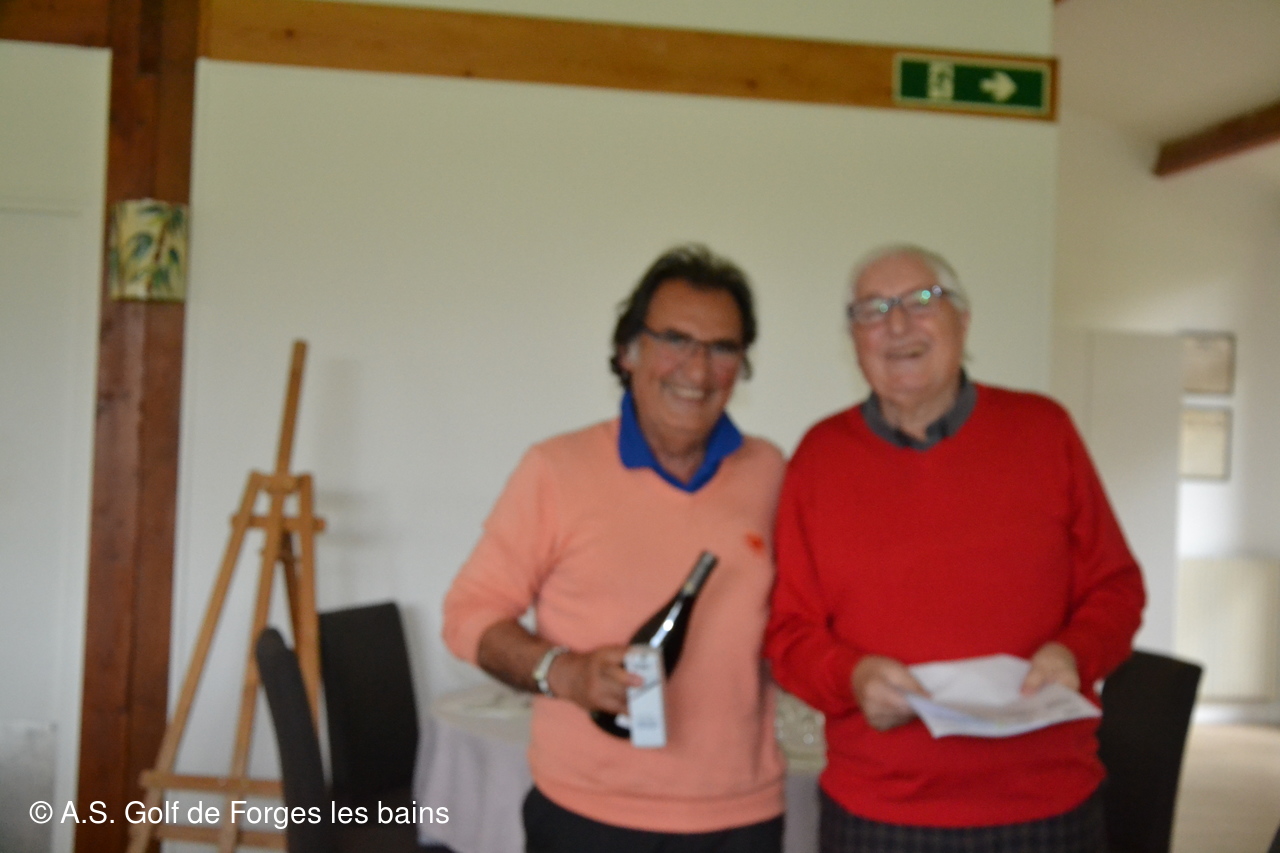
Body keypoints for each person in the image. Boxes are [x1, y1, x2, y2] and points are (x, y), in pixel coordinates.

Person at [764, 244, 1146, 853]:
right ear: (854, 340)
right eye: (872, 310)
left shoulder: (1044, 431)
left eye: (922, 301)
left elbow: (1117, 587)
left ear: (962, 321)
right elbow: (789, 633)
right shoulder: (819, 458)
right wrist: (852, 677)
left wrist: (1074, 653)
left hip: (1045, 807)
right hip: (877, 813)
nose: (897, 325)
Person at [442, 244, 786, 853]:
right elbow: (468, 614)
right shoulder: (556, 470)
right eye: (675, 340)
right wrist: (563, 672)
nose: (697, 371)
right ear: (629, 351)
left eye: (722, 348)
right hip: (587, 817)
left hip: (740, 818)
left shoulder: (771, 474)